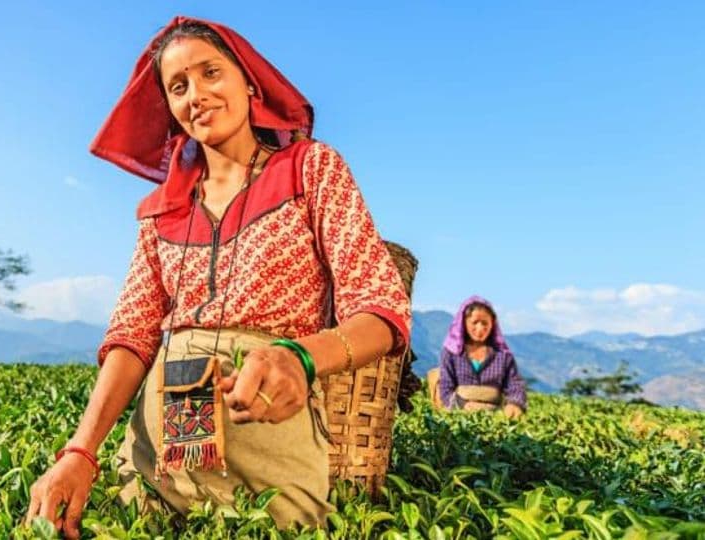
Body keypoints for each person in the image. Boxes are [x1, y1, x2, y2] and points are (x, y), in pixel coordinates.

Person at [26, 16, 410, 534]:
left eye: (211, 73)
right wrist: (80, 453)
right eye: (178, 86)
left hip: (269, 439)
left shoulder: (310, 170)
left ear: (248, 84)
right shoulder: (159, 212)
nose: (197, 95)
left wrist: (299, 356)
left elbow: (382, 310)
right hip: (158, 450)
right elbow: (133, 337)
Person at [437, 296, 526, 418]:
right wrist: (463, 405)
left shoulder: (502, 356)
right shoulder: (451, 353)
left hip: (494, 415)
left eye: (485, 323)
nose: (480, 329)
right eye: (475, 322)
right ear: (464, 323)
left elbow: (514, 385)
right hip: (458, 415)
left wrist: (515, 404)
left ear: (492, 324)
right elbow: (445, 388)